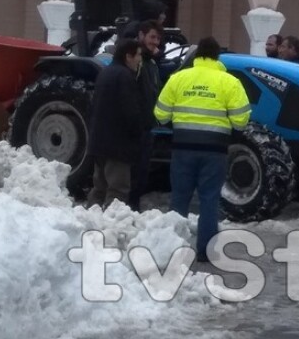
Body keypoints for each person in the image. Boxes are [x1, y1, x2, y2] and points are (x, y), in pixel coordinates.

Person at [154, 36, 251, 261]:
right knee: (209, 199)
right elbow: (241, 120)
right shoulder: (230, 82)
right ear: (218, 56)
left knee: (179, 198)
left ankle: (174, 248)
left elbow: (160, 114)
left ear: (196, 56)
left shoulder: (178, 78)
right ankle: (206, 251)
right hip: (214, 151)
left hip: (182, 148)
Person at [87, 39, 144, 208]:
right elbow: (130, 112)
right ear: (128, 56)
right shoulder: (125, 77)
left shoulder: (105, 73)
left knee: (99, 188)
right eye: (138, 55)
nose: (140, 60)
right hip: (117, 146)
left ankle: (90, 221)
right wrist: (137, 133)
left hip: (99, 142)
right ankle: (110, 227)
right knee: (118, 190)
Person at [128, 20, 163, 211]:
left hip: (148, 127)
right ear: (141, 35)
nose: (155, 42)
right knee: (132, 174)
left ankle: (133, 208)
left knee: (142, 174)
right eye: (152, 37)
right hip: (136, 128)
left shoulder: (151, 63)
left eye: (158, 38)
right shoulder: (135, 62)